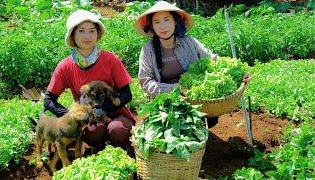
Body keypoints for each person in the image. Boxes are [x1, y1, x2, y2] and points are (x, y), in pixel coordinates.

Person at [134, 1, 250, 126]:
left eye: (166, 20)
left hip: (193, 99)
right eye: (157, 22)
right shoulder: (148, 50)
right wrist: (176, 90)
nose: (162, 26)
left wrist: (238, 73)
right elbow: (146, 83)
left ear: (175, 21)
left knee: (209, 119)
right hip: (165, 101)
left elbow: (212, 59)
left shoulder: (189, 42)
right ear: (152, 26)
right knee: (173, 125)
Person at [43, 9, 135, 152]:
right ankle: (96, 149)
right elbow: (49, 99)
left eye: (92, 31)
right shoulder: (65, 66)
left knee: (117, 129)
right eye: (81, 31)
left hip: (116, 113)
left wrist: (105, 109)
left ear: (97, 34)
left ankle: (122, 151)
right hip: (88, 116)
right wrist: (69, 114)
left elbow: (126, 94)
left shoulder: (110, 59)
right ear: (73, 35)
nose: (87, 36)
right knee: (93, 131)